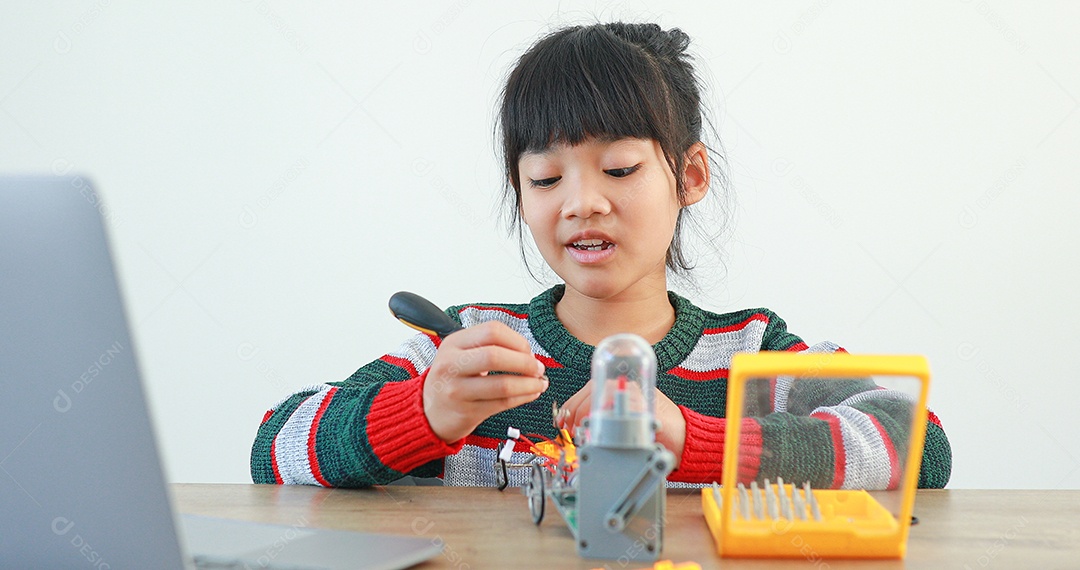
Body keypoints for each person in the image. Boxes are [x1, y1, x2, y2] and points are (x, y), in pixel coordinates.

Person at [250, 22, 952, 489]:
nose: (581, 202)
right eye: (547, 179)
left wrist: (699, 440)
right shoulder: (469, 348)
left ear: (691, 176)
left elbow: (919, 441)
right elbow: (272, 444)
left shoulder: (753, 354)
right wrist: (424, 414)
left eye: (618, 170)